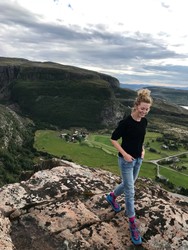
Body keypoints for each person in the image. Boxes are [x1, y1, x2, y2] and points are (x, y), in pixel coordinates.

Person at [106, 88, 153, 246]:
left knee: (128, 184)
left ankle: (111, 196)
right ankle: (132, 223)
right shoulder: (126, 123)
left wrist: (143, 149)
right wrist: (125, 154)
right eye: (142, 108)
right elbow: (113, 139)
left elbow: (140, 139)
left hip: (138, 159)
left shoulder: (144, 121)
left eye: (147, 109)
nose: (144, 112)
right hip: (126, 161)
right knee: (130, 191)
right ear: (136, 105)